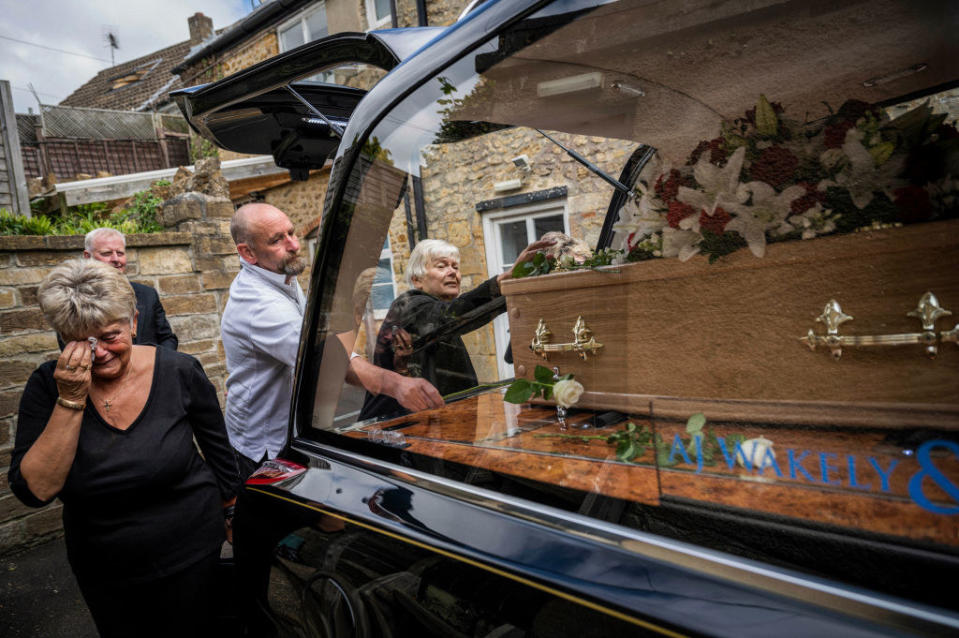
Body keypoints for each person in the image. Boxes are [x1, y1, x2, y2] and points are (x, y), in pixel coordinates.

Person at [7, 259, 240, 638]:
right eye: (79, 340)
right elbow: (35, 492)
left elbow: (218, 450)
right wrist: (71, 399)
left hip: (192, 548)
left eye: (110, 335)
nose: (98, 353)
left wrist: (232, 511)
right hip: (105, 563)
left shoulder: (180, 371)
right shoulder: (47, 386)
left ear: (134, 321)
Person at [222, 204, 442, 478]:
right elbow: (325, 359)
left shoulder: (280, 276)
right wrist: (396, 384)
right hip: (266, 446)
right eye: (277, 240)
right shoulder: (257, 303)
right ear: (247, 252)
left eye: (291, 233)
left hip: (293, 427)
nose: (293, 245)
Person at [359, 237, 553, 420]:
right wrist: (505, 281)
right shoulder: (410, 306)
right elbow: (453, 314)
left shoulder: (435, 315)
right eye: (441, 266)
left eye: (455, 267)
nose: (453, 272)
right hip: (389, 429)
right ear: (417, 279)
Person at [82, 227, 178, 350]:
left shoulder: (147, 294)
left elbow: (167, 338)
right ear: (87, 256)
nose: (116, 259)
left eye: (120, 253)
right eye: (107, 253)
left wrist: (157, 364)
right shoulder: (74, 298)